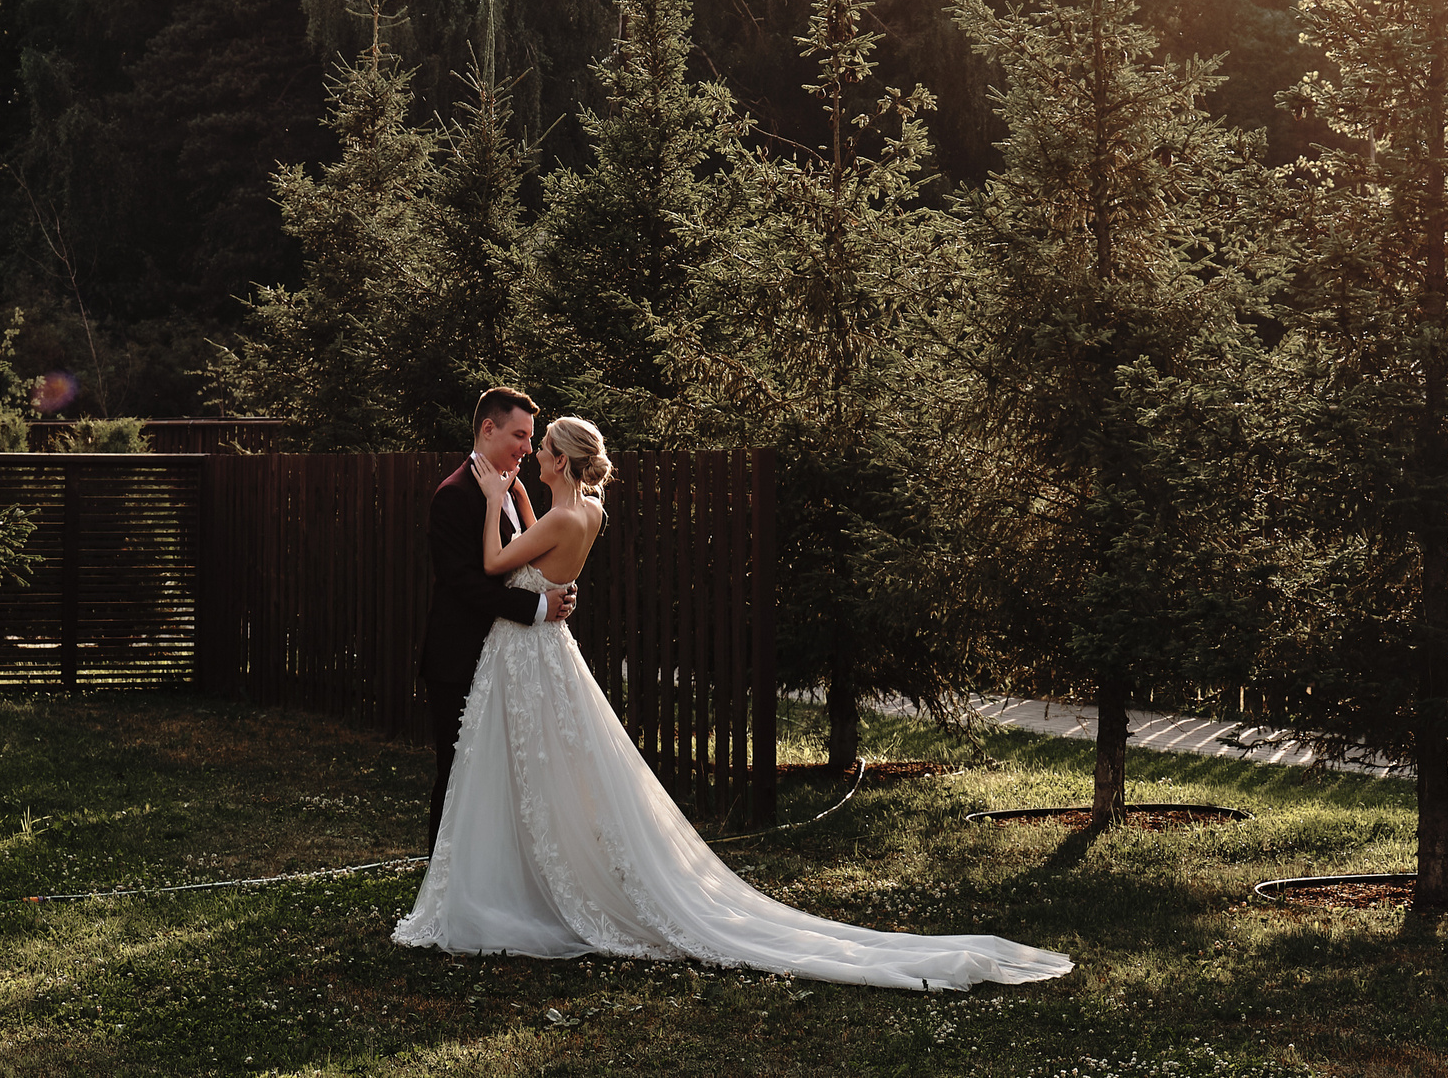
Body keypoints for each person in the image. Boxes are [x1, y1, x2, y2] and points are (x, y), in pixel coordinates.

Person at [396, 413, 1071, 992]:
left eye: (540, 446)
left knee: (533, 764)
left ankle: (527, 885)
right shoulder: (588, 510)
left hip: (529, 655)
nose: (532, 452)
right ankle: (536, 872)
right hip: (543, 651)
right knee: (556, 765)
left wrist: (493, 497)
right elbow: (545, 558)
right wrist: (518, 494)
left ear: (562, 459)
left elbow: (491, 564)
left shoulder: (556, 516)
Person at [418, 386, 577, 853]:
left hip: (506, 658)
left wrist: (558, 588)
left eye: (531, 439)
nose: (528, 448)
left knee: (502, 777)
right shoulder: (454, 495)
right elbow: (463, 584)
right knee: (458, 772)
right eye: (520, 435)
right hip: (459, 658)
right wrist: (537, 608)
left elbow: (529, 560)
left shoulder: (511, 488)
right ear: (488, 429)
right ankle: (442, 880)